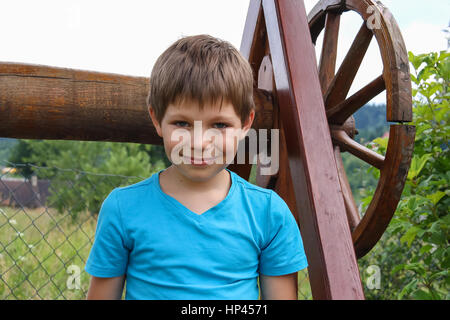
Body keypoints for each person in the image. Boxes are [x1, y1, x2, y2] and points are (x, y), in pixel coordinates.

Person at [85, 34, 308, 300]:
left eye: (220, 125)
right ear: (156, 119)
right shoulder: (122, 209)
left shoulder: (269, 214)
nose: (200, 143)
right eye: (182, 124)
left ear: (246, 124)